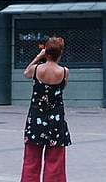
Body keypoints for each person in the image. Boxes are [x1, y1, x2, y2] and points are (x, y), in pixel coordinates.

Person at [20, 37, 71, 182]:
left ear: (46, 51)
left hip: (36, 118)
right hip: (56, 119)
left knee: (31, 159)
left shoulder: (36, 69)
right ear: (60, 53)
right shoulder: (64, 72)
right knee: (55, 160)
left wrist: (38, 57)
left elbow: (25, 74)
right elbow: (62, 88)